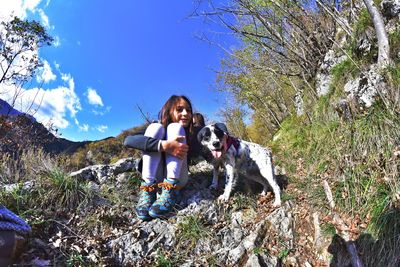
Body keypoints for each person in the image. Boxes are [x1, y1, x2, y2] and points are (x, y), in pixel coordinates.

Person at [124, 95, 203, 220]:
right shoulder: (158, 127)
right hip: (156, 177)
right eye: (180, 109)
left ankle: (170, 191)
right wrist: (163, 145)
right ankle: (148, 191)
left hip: (177, 179)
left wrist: (224, 135)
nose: (185, 113)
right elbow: (128, 140)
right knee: (155, 127)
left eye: (188, 110)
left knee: (176, 128)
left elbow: (219, 127)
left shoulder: (193, 132)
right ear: (169, 111)